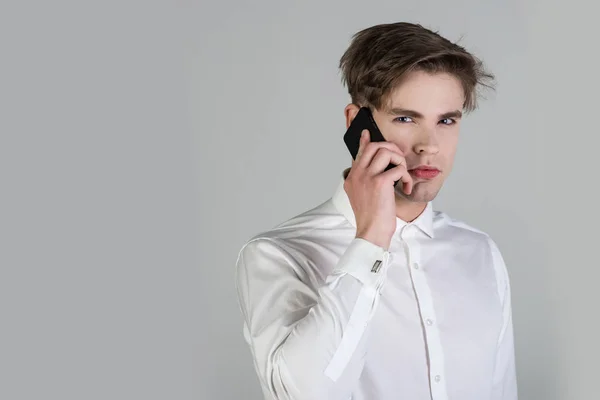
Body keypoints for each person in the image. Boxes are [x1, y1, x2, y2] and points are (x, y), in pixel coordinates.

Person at [235, 22, 517, 400]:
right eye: (406, 119)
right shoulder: (278, 255)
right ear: (358, 124)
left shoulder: (481, 254)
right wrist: (371, 239)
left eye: (446, 120)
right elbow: (305, 394)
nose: (429, 146)